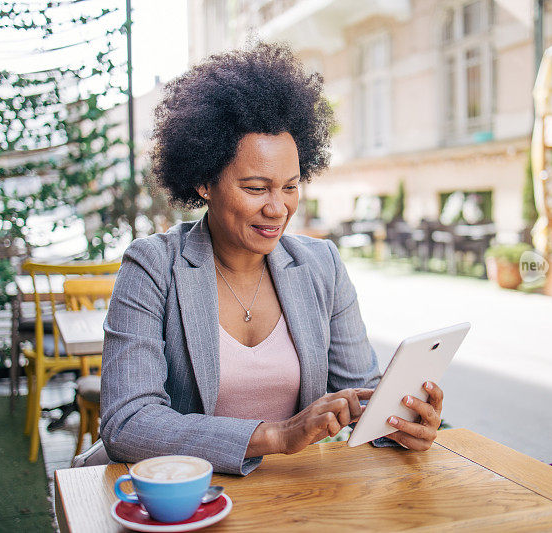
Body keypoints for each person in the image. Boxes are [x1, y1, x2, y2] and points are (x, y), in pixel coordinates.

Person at [100, 42, 445, 475]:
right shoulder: (153, 267)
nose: (278, 208)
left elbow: (359, 392)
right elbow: (127, 423)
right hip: (183, 499)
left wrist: (400, 420)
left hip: (293, 496)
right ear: (205, 182)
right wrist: (276, 435)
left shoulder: (320, 265)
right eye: (257, 188)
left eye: (290, 186)